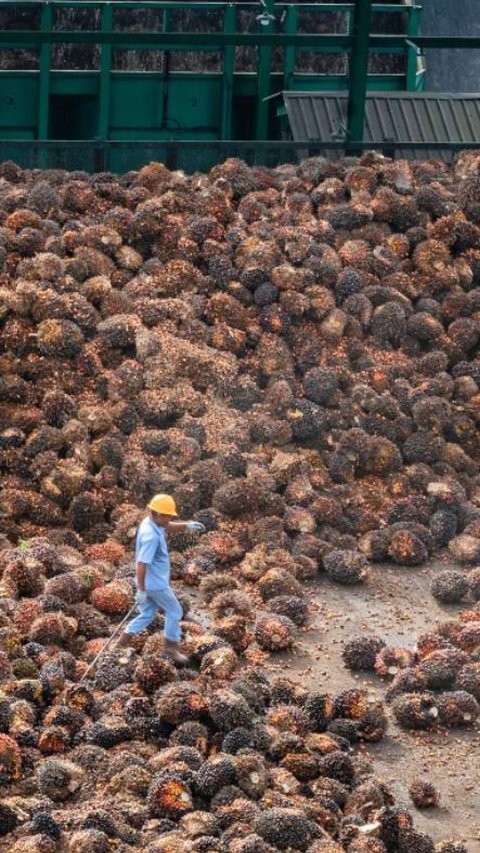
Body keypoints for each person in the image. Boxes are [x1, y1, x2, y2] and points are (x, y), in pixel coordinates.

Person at [117, 494, 205, 664]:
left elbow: (166, 527)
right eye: (168, 515)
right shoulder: (151, 537)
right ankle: (171, 649)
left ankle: (121, 643)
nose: (170, 518)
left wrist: (186, 526)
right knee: (175, 611)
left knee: (148, 614)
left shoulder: (149, 521)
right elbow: (142, 564)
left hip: (148, 583)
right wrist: (142, 590)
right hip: (155, 585)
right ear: (157, 513)